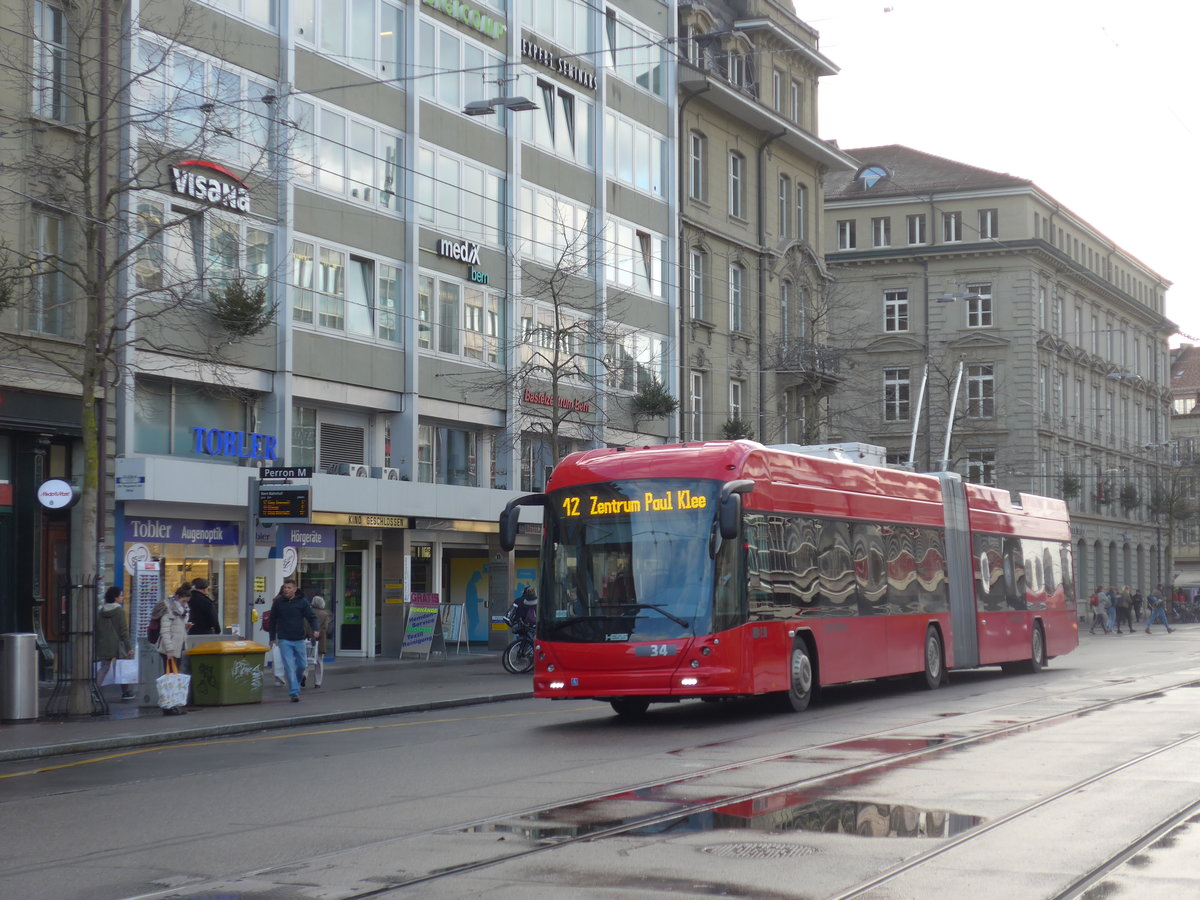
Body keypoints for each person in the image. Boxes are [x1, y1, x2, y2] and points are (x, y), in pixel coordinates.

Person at [268, 578, 318, 702]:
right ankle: (294, 692)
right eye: (285, 588)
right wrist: (272, 638)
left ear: (295, 589)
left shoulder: (302, 602)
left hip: (299, 639)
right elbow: (272, 620)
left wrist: (315, 629)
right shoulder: (278, 603)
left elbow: (312, 617)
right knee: (289, 666)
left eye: (289, 588)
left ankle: (294, 682)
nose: (286, 590)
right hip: (284, 639)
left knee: (302, 665)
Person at [150, 585, 191, 715]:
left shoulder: (183, 610)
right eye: (184, 601)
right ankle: (168, 707)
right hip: (169, 649)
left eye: (187, 601)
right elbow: (165, 631)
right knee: (171, 678)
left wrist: (186, 627)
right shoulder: (169, 609)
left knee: (174, 677)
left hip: (177, 647)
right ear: (177, 597)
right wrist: (169, 650)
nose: (185, 604)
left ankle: (173, 705)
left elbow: (178, 630)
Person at [95, 586, 135, 701]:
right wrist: (129, 648)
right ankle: (126, 692)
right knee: (122, 666)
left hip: (104, 643)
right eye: (121, 595)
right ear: (115, 597)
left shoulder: (102, 611)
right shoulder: (119, 611)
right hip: (118, 644)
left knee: (104, 667)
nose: (123, 597)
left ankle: (95, 690)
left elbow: (98, 628)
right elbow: (123, 631)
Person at [307, 595, 332, 688]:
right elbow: (325, 628)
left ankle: (304, 675)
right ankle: (318, 682)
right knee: (319, 661)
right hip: (320, 640)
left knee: (306, 660)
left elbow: (305, 625)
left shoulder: (308, 612)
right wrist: (318, 634)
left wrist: (308, 634)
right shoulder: (325, 614)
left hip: (308, 639)